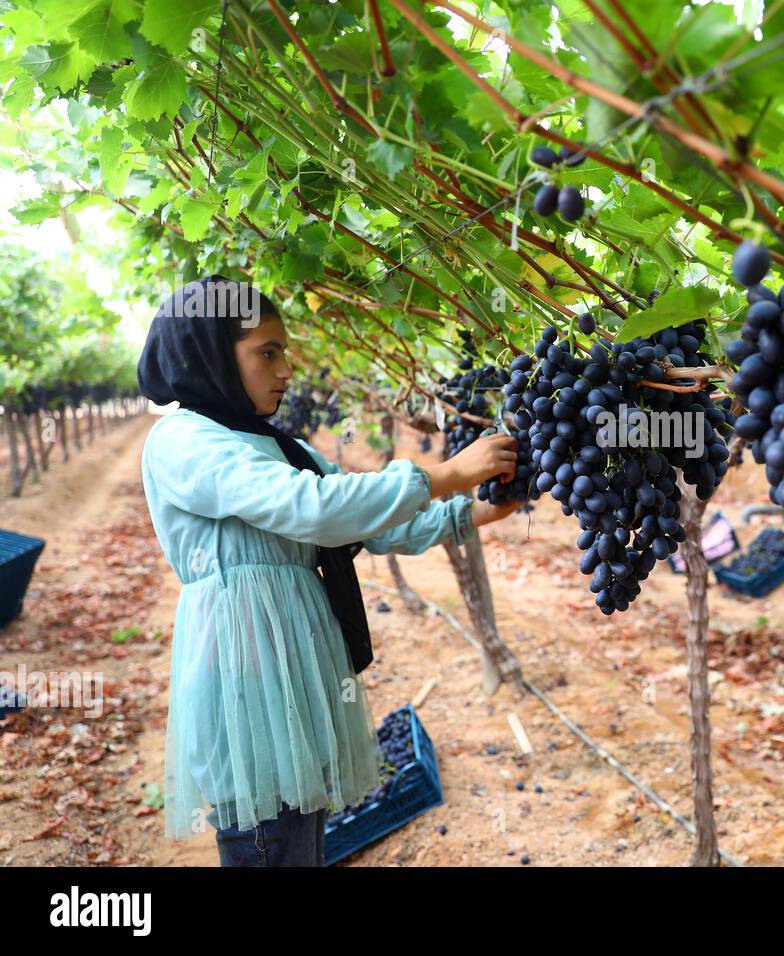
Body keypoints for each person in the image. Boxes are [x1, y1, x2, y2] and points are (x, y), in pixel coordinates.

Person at [136, 275, 518, 867]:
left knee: (297, 826)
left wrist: (485, 507)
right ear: (208, 353)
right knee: (265, 829)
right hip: (246, 669)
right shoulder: (183, 441)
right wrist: (443, 475)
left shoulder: (277, 446)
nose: (286, 369)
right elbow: (309, 507)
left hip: (295, 664)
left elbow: (378, 523)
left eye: (283, 350)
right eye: (268, 352)